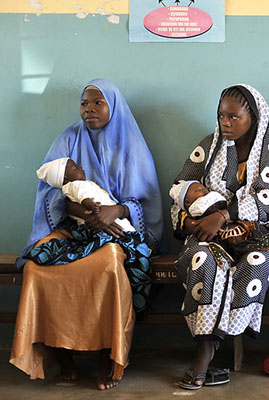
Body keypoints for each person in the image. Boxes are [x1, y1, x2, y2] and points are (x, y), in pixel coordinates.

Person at [10, 79, 163, 390]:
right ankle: (60, 350)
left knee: (107, 266)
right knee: (38, 267)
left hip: (118, 230)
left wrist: (114, 212)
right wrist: (87, 214)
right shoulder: (68, 138)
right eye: (84, 103)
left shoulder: (131, 144)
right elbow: (50, 190)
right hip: (73, 225)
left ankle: (108, 353)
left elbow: (145, 201)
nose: (89, 109)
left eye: (98, 103)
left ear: (113, 106)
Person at [172, 84, 269, 390]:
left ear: (252, 118)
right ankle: (206, 350)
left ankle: (205, 352)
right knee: (203, 261)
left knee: (258, 260)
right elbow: (180, 188)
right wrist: (190, 223)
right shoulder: (209, 145)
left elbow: (266, 199)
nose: (225, 123)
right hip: (206, 233)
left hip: (252, 231)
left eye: (233, 116)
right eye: (220, 116)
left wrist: (224, 215)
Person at [23, 157, 152, 314]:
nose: (81, 168)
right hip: (97, 227)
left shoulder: (131, 150)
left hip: (115, 221)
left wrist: (118, 210)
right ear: (65, 178)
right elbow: (81, 197)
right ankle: (129, 306)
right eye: (75, 167)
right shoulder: (75, 185)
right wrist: (91, 210)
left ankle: (128, 306)